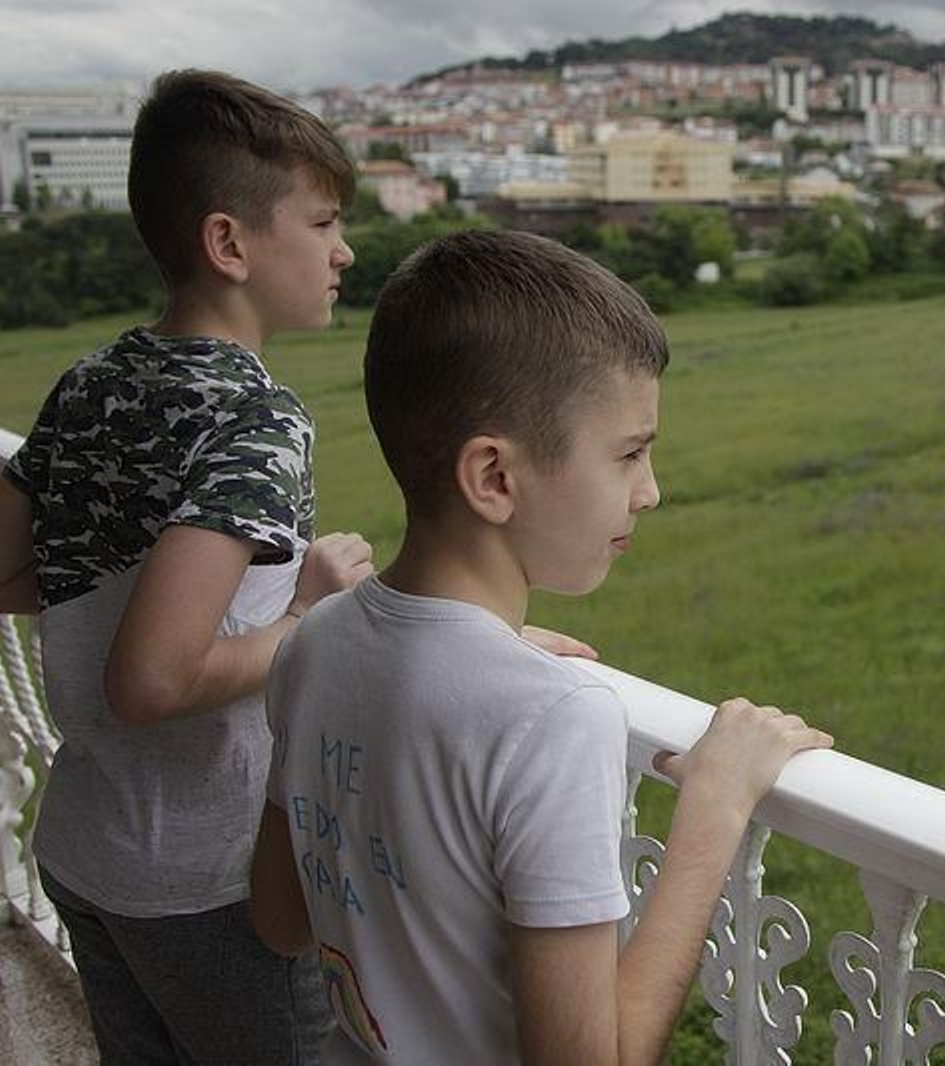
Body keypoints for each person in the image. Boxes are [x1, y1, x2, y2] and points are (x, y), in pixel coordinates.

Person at [248, 229, 833, 1064]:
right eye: (630, 453)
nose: (651, 491)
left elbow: (279, 918)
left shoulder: (313, 645)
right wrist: (715, 807)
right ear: (493, 478)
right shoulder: (553, 715)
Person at [0, 68, 376, 1063]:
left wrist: (113, 585)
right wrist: (304, 617)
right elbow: (152, 680)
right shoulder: (258, 419)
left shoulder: (91, 379)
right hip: (209, 881)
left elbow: (6, 571)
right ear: (229, 243)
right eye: (323, 221)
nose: (345, 250)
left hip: (85, 850)